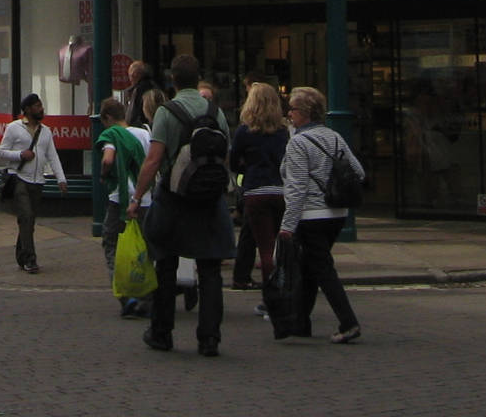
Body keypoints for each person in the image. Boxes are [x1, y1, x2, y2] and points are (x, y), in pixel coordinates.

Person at [128, 55, 233, 356]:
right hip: (210, 199)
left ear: (172, 79)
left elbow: (154, 159)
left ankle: (162, 333)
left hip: (174, 198)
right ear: (197, 77)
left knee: (166, 265)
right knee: (210, 269)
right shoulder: (215, 110)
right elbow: (225, 154)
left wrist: (137, 198)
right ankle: (209, 338)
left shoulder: (166, 112)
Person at [277, 85, 365, 343]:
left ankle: (348, 322)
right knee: (310, 268)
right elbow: (358, 172)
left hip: (311, 216)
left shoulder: (298, 143)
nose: (289, 114)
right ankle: (299, 323)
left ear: (304, 112)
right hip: (337, 214)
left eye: (292, 109)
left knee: (323, 269)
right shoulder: (335, 137)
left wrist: (287, 226)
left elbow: (296, 188)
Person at [95, 97, 152, 318]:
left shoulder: (111, 134)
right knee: (143, 249)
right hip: (145, 199)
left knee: (112, 246)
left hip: (121, 199)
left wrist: (103, 175)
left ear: (108, 118)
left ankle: (126, 297)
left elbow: (108, 160)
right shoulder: (145, 134)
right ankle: (147, 297)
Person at [230, 82, 289, 292]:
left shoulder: (244, 131)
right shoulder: (283, 132)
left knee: (265, 247)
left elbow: (233, 162)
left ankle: (271, 293)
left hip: (255, 191)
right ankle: (282, 286)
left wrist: (246, 166)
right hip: (281, 190)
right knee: (279, 245)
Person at [0, 92, 67, 269]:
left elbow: (53, 156)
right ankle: (30, 259)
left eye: (41, 105)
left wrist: (61, 178)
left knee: (28, 221)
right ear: (27, 110)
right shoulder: (14, 128)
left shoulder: (46, 131)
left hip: (38, 182)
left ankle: (21, 254)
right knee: (27, 217)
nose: (41, 109)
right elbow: (1, 152)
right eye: (37, 106)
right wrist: (21, 154)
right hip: (19, 178)